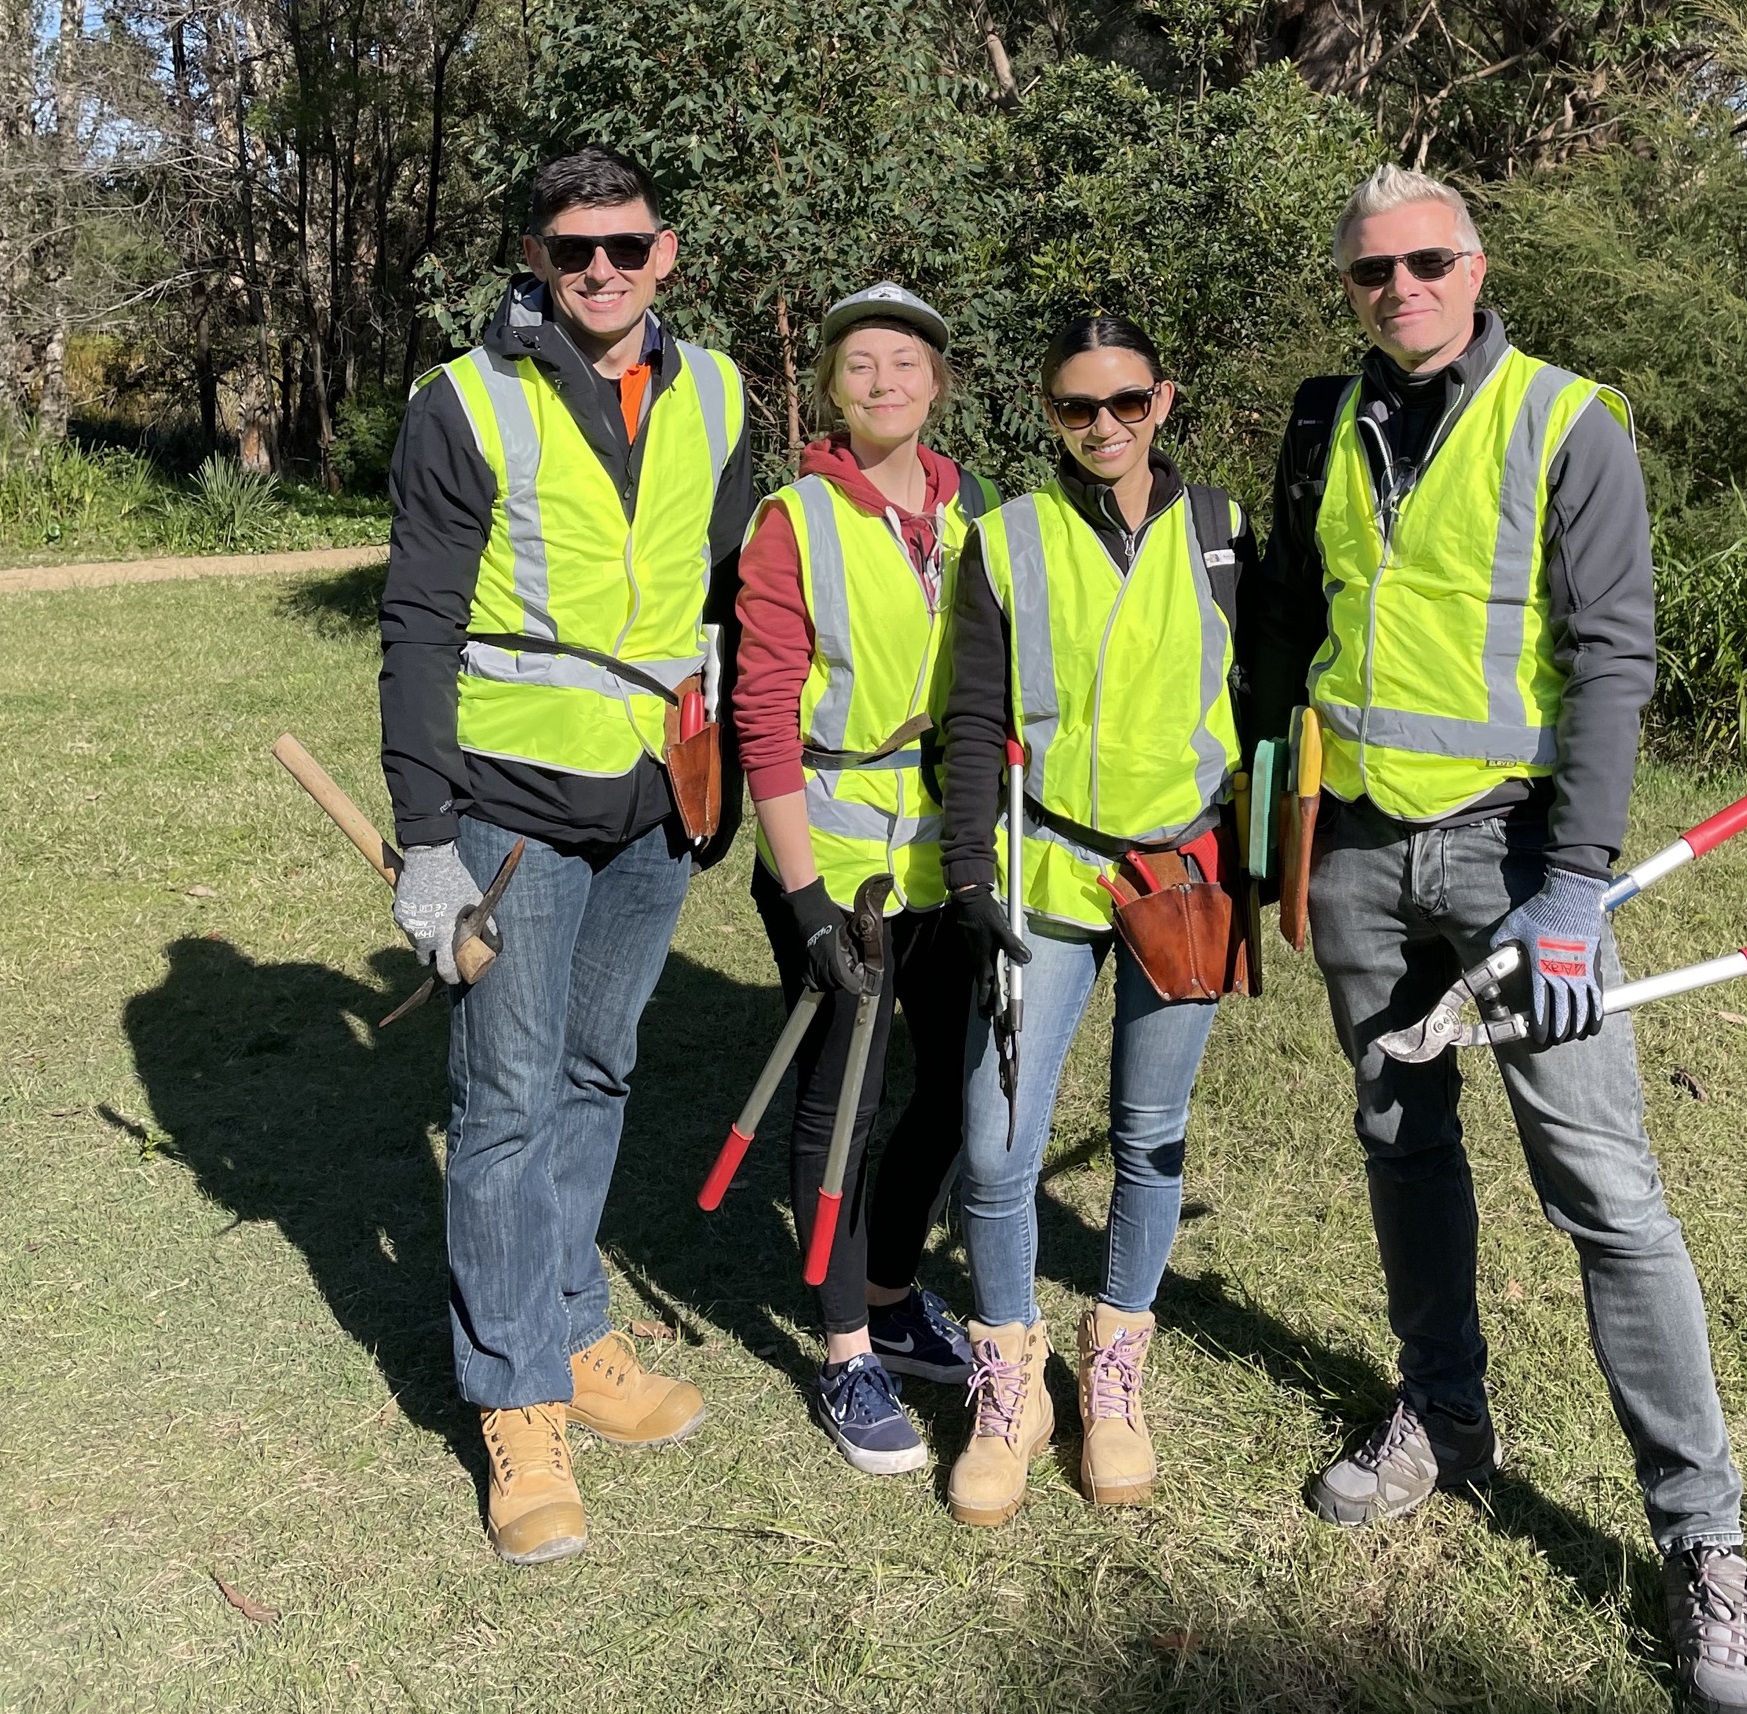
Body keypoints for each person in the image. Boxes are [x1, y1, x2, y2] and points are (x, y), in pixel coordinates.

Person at [1238, 163, 1747, 1714]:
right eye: (1368, 272)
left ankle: (1702, 1539)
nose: (1397, 288)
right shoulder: (1321, 423)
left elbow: (1615, 651)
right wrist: (1264, 814)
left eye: (1423, 262)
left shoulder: (1567, 417)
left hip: (1515, 853)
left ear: (1475, 267)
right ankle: (1443, 1416)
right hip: (1355, 849)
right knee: (1400, 1141)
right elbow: (1296, 630)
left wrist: (1573, 885)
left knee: (1604, 1189)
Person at [379, 144, 749, 1565]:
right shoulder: (464, 404)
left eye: (626, 244)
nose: (601, 268)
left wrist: (716, 771)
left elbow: (718, 596)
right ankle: (516, 1396)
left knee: (599, 1071)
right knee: (504, 1102)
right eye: (571, 247)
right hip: (510, 802)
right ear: (533, 257)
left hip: (657, 799)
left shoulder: (715, 392)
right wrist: (427, 839)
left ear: (667, 252)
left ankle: (576, 1329)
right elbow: (415, 624)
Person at [936, 313, 1258, 1526]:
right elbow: (971, 717)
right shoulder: (1006, 538)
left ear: (1162, 399)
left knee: (1149, 1127)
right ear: (1048, 410)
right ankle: (1008, 1379)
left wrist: (1267, 857)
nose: (1105, 427)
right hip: (1046, 873)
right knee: (996, 1141)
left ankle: (1115, 1364)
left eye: (1126, 402)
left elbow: (1267, 697)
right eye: (1078, 408)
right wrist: (972, 871)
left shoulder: (1223, 533)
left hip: (1183, 875)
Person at [733, 283, 1000, 1475]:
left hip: (951, 855)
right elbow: (762, 718)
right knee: (841, 1097)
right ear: (832, 387)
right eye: (859, 366)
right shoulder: (794, 518)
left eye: (903, 363)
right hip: (837, 859)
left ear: (936, 380)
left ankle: (890, 1291)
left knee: (953, 1088)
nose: (883, 382)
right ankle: (845, 1351)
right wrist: (801, 897)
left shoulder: (970, 509)